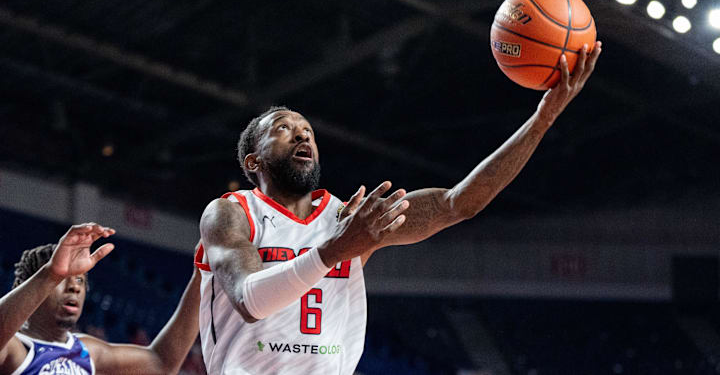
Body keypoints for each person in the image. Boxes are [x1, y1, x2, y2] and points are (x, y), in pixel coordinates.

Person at [196, 43, 603, 374]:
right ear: (253, 161)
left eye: (307, 130)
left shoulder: (351, 219)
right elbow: (250, 302)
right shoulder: (231, 212)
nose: (301, 133)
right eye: (283, 127)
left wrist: (543, 118)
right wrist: (336, 249)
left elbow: (457, 203)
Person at [0, 223, 201, 375]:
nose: (74, 287)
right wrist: (52, 273)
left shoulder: (88, 351)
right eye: (63, 279)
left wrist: (201, 274)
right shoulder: (15, 348)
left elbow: (161, 363)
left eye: (80, 279)